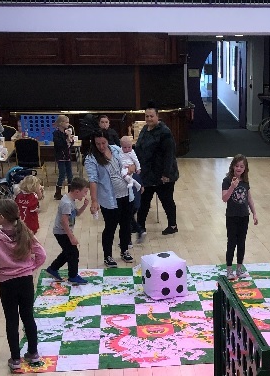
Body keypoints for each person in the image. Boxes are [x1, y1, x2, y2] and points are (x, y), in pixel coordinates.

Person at [0, 199, 46, 371]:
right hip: (25, 281)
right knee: (28, 317)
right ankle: (33, 353)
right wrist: (30, 267)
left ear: (1, 217)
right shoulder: (25, 232)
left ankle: (15, 359)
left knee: (11, 320)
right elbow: (41, 255)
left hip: (6, 284)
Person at [86, 129, 135, 268]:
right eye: (98, 144)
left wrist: (132, 167)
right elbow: (93, 180)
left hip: (126, 195)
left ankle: (124, 249)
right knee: (110, 227)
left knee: (126, 225)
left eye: (103, 143)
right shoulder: (91, 158)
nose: (101, 146)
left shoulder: (115, 149)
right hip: (109, 199)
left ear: (108, 141)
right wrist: (94, 200)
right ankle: (108, 255)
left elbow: (129, 160)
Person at [135, 104, 179, 237]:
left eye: (151, 116)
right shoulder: (144, 128)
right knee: (144, 201)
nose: (148, 118)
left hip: (162, 175)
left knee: (166, 201)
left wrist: (166, 174)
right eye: (146, 116)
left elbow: (169, 154)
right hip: (147, 174)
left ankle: (172, 225)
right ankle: (140, 226)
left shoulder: (164, 132)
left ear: (157, 116)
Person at [45, 177, 90, 285]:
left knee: (68, 252)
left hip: (64, 231)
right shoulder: (66, 203)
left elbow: (77, 214)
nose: (85, 195)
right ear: (77, 191)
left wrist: (84, 205)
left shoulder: (71, 200)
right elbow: (64, 221)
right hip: (61, 232)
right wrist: (71, 236)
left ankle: (53, 268)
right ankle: (73, 276)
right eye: (84, 192)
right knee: (73, 253)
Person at [222, 154, 258, 281]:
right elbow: (224, 199)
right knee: (231, 242)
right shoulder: (227, 180)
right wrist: (232, 186)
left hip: (244, 216)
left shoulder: (245, 181)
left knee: (241, 242)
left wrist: (254, 213)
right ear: (232, 166)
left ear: (245, 168)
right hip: (232, 216)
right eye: (236, 166)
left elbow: (249, 198)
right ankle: (229, 269)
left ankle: (239, 268)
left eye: (241, 166)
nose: (239, 168)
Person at [53, 115, 74, 200]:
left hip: (67, 156)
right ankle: (57, 193)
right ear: (61, 123)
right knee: (62, 174)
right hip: (60, 157)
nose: (68, 124)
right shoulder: (56, 133)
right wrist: (67, 139)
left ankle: (70, 192)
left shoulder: (67, 132)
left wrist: (70, 137)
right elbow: (60, 144)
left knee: (70, 174)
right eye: (66, 122)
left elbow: (70, 144)